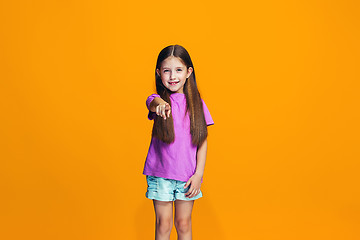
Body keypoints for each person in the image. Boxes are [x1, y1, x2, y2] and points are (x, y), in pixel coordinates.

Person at [143, 44, 214, 240]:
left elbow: (202, 142)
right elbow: (151, 102)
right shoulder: (157, 100)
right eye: (167, 71)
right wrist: (160, 105)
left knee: (183, 224)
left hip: (187, 176)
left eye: (178, 70)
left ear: (188, 72)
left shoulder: (197, 104)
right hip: (160, 174)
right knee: (163, 224)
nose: (172, 76)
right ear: (159, 73)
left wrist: (199, 174)